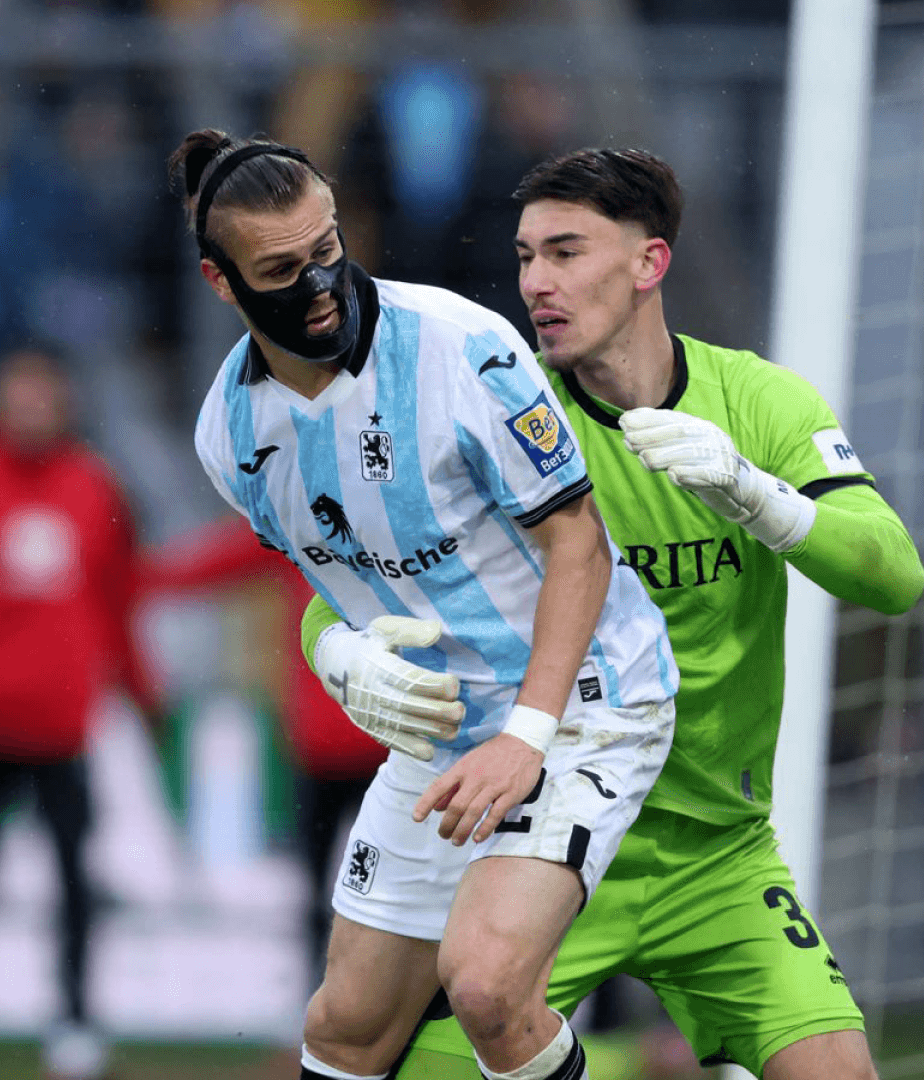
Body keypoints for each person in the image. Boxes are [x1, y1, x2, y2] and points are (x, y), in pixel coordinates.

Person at [302, 148, 924, 1079]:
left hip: (717, 854)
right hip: (541, 850)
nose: (536, 284)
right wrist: (341, 655)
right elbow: (340, 595)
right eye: (524, 257)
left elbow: (895, 576)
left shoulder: (756, 404)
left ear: (649, 263)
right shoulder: (501, 419)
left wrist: (760, 498)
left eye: (566, 252)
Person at [175, 128, 678, 1080]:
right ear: (221, 282)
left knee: (487, 987)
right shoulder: (229, 436)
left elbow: (579, 545)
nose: (319, 284)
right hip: (445, 738)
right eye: (281, 270)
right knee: (343, 1029)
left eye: (326, 249)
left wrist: (526, 735)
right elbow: (338, 585)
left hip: (582, 704)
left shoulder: (461, 348)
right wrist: (341, 654)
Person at [0, 346, 166, 1080]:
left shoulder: (91, 485)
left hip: (61, 726)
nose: (30, 408)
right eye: (17, 395)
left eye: (42, 395)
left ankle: (75, 1021)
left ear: (63, 402)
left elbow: (118, 603)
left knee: (75, 882)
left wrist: (144, 692)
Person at [149, 516, 390, 985]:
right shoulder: (304, 529)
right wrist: (136, 574)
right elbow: (219, 561)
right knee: (329, 891)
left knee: (367, 891)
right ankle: (321, 999)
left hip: (381, 750)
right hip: (334, 748)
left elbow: (215, 563)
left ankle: (361, 1000)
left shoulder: (339, 530)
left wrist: (141, 575)